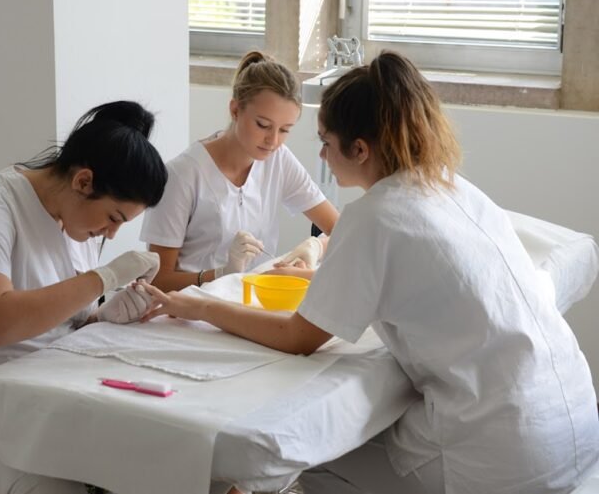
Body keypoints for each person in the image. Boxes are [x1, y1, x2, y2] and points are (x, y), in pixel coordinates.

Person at [141, 52, 599, 494]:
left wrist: (203, 305)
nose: (318, 153)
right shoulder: (453, 186)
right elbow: (414, 280)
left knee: (309, 453)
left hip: (504, 451)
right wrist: (307, 277)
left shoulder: (375, 214)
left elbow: (299, 338)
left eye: (323, 141)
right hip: (572, 418)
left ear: (359, 149)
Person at [0, 101, 167, 494]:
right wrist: (105, 278)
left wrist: (100, 318)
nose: (111, 235)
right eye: (114, 219)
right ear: (83, 181)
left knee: (158, 461)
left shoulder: (77, 223)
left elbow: (58, 321)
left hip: (46, 397)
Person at [140, 51, 339, 292]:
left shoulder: (278, 160)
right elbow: (157, 281)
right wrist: (222, 274)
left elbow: (344, 231)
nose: (273, 141)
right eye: (263, 125)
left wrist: (315, 246)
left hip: (251, 303)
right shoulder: (182, 176)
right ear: (235, 110)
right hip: (188, 310)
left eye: (285, 130)